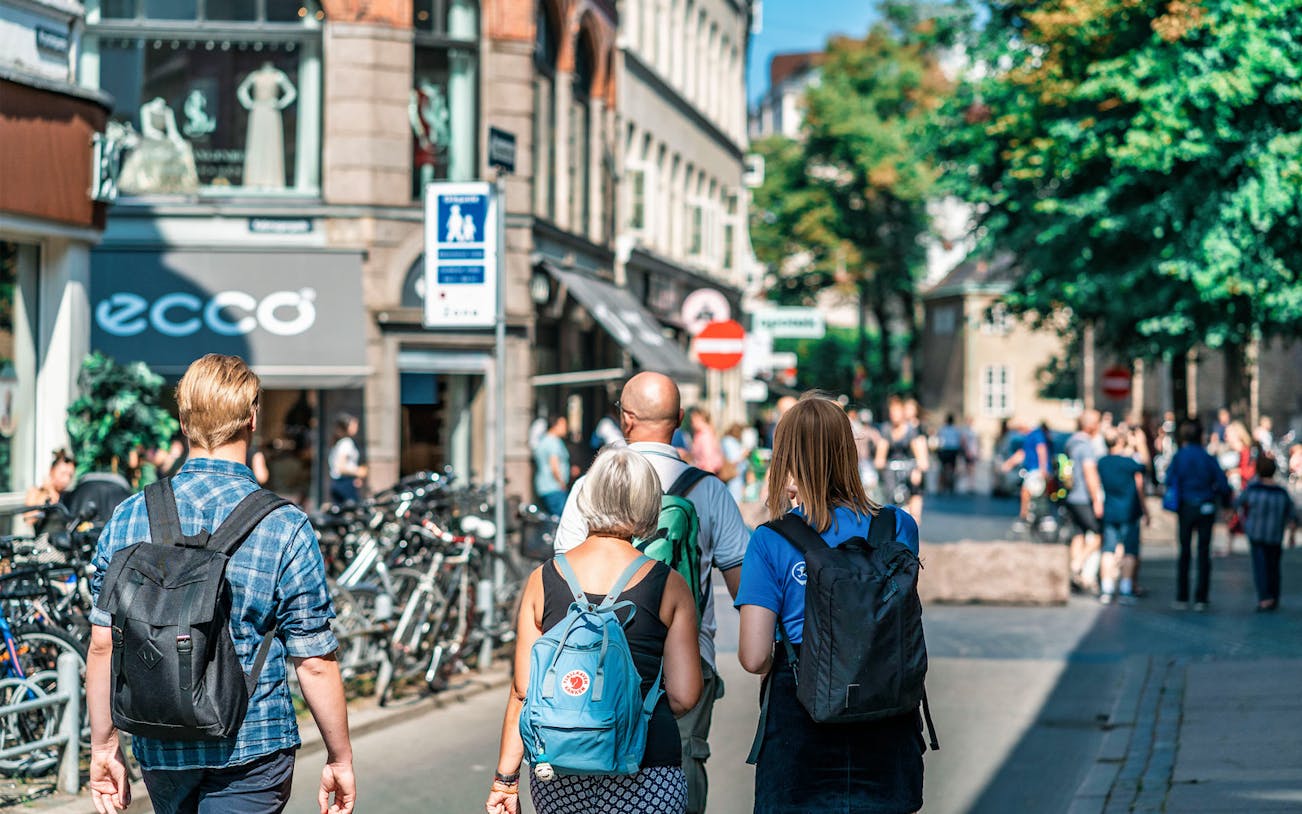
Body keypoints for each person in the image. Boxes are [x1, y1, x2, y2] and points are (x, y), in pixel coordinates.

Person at [86, 354, 354, 814]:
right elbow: (313, 661)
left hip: (161, 741)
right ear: (252, 417)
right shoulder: (283, 525)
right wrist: (340, 756)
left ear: (184, 419)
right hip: (253, 743)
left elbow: (103, 645)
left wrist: (103, 746)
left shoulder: (129, 515)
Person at [554, 373, 748, 814]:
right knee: (679, 771)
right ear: (679, 420)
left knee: (595, 777)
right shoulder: (710, 490)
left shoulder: (588, 488)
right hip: (686, 664)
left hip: (600, 658)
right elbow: (744, 588)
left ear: (625, 419)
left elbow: (564, 575)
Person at [486, 448, 703, 814]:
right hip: (647, 769)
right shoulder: (669, 584)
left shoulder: (543, 579)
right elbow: (684, 695)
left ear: (587, 498)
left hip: (559, 770)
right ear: (647, 505)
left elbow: (523, 691)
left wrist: (505, 781)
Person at [736, 395, 924, 814]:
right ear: (849, 453)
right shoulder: (898, 526)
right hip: (886, 715)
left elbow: (753, 656)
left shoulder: (771, 539)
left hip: (802, 718)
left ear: (786, 460)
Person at [1164, 419, 1232, 611]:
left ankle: (1182, 596)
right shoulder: (1207, 457)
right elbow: (1223, 483)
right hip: (1206, 506)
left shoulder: (1180, 456)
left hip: (1186, 506)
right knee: (1204, 552)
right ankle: (1201, 597)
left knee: (1184, 551)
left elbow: (1169, 479)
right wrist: (1225, 503)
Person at [1234, 456, 1300, 612]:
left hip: (1256, 534)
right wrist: (1291, 534)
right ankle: (1274, 596)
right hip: (1275, 534)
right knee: (1273, 566)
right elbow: (1291, 515)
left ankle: (1264, 598)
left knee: (1260, 566)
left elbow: (1238, 502)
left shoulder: (1253, 488)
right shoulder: (1281, 492)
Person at [1097, 430, 1149, 604]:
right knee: (1129, 551)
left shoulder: (1102, 463)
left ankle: (1107, 587)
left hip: (1110, 510)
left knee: (1108, 550)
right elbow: (1146, 465)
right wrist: (1140, 443)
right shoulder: (1128, 463)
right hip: (1129, 511)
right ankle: (1125, 588)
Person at [1064, 411, 1104, 593]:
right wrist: (1096, 499)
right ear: (1090, 426)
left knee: (1078, 534)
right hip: (1083, 496)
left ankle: (1075, 568)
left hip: (1071, 495)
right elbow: (1090, 473)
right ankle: (1076, 566)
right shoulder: (1086, 446)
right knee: (1098, 534)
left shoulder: (1071, 443)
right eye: (1098, 423)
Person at [875, 396, 930, 521]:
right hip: (891, 470)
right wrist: (880, 462)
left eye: (896, 411)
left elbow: (920, 454)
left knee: (914, 494)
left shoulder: (911, 430)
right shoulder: (886, 429)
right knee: (889, 502)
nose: (893, 415)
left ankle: (914, 521)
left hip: (909, 469)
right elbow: (881, 452)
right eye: (891, 412)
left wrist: (919, 469)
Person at [24, 449, 77, 535]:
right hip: (43, 543)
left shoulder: (69, 496)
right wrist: (48, 491)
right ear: (51, 470)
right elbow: (29, 519)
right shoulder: (35, 492)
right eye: (63, 474)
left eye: (70, 475)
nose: (66, 479)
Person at [533, 415, 571, 516]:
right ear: (555, 425)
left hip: (544, 487)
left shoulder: (543, 440)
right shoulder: (553, 442)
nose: (566, 428)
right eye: (563, 425)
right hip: (554, 487)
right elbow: (554, 466)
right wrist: (562, 483)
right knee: (561, 518)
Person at [328, 413, 366, 505]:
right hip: (345, 483)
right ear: (347, 426)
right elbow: (341, 468)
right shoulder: (346, 443)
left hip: (338, 483)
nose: (356, 427)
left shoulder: (340, 442)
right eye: (353, 425)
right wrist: (358, 472)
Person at [689, 408, 725, 476]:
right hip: (703, 471)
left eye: (693, 420)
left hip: (706, 472)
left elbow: (708, 457)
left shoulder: (705, 435)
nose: (692, 423)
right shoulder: (701, 433)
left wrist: (709, 477)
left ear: (700, 419)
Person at [720, 423, 750, 504]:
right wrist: (743, 455)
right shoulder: (728, 441)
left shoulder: (729, 440)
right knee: (735, 498)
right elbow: (733, 459)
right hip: (733, 474)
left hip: (737, 475)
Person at [936, 414, 964, 495]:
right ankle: (951, 486)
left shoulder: (942, 429)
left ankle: (940, 487)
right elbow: (959, 440)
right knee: (952, 469)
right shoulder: (956, 430)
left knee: (942, 469)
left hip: (944, 450)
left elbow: (939, 439)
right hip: (953, 450)